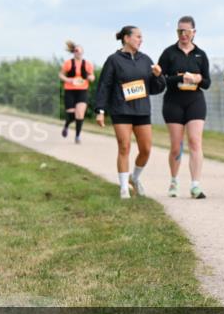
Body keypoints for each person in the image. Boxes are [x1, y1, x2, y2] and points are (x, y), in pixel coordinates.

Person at [94, 26, 166, 199]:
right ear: (126, 38)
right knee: (124, 146)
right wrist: (100, 110)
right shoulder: (114, 60)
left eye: (142, 37)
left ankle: (134, 177)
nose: (141, 40)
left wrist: (158, 76)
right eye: (138, 36)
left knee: (146, 149)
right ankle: (124, 188)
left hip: (142, 111)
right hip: (121, 110)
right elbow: (104, 86)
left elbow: (156, 89)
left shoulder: (145, 59)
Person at [158, 16, 211, 199]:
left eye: (186, 31)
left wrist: (197, 79)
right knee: (176, 146)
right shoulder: (169, 53)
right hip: (173, 102)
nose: (183, 34)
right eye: (180, 31)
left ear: (193, 32)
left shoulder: (200, 55)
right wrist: (180, 78)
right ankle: (173, 180)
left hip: (195, 101)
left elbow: (207, 83)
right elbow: (161, 79)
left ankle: (195, 185)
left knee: (195, 142)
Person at [59, 41, 95, 144]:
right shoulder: (68, 63)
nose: (78, 52)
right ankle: (66, 126)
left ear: (82, 52)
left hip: (82, 91)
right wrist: (68, 80)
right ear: (73, 52)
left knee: (80, 114)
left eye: (80, 51)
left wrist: (89, 77)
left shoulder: (87, 64)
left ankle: (77, 136)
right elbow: (61, 75)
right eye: (76, 51)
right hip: (70, 91)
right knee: (71, 114)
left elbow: (92, 77)